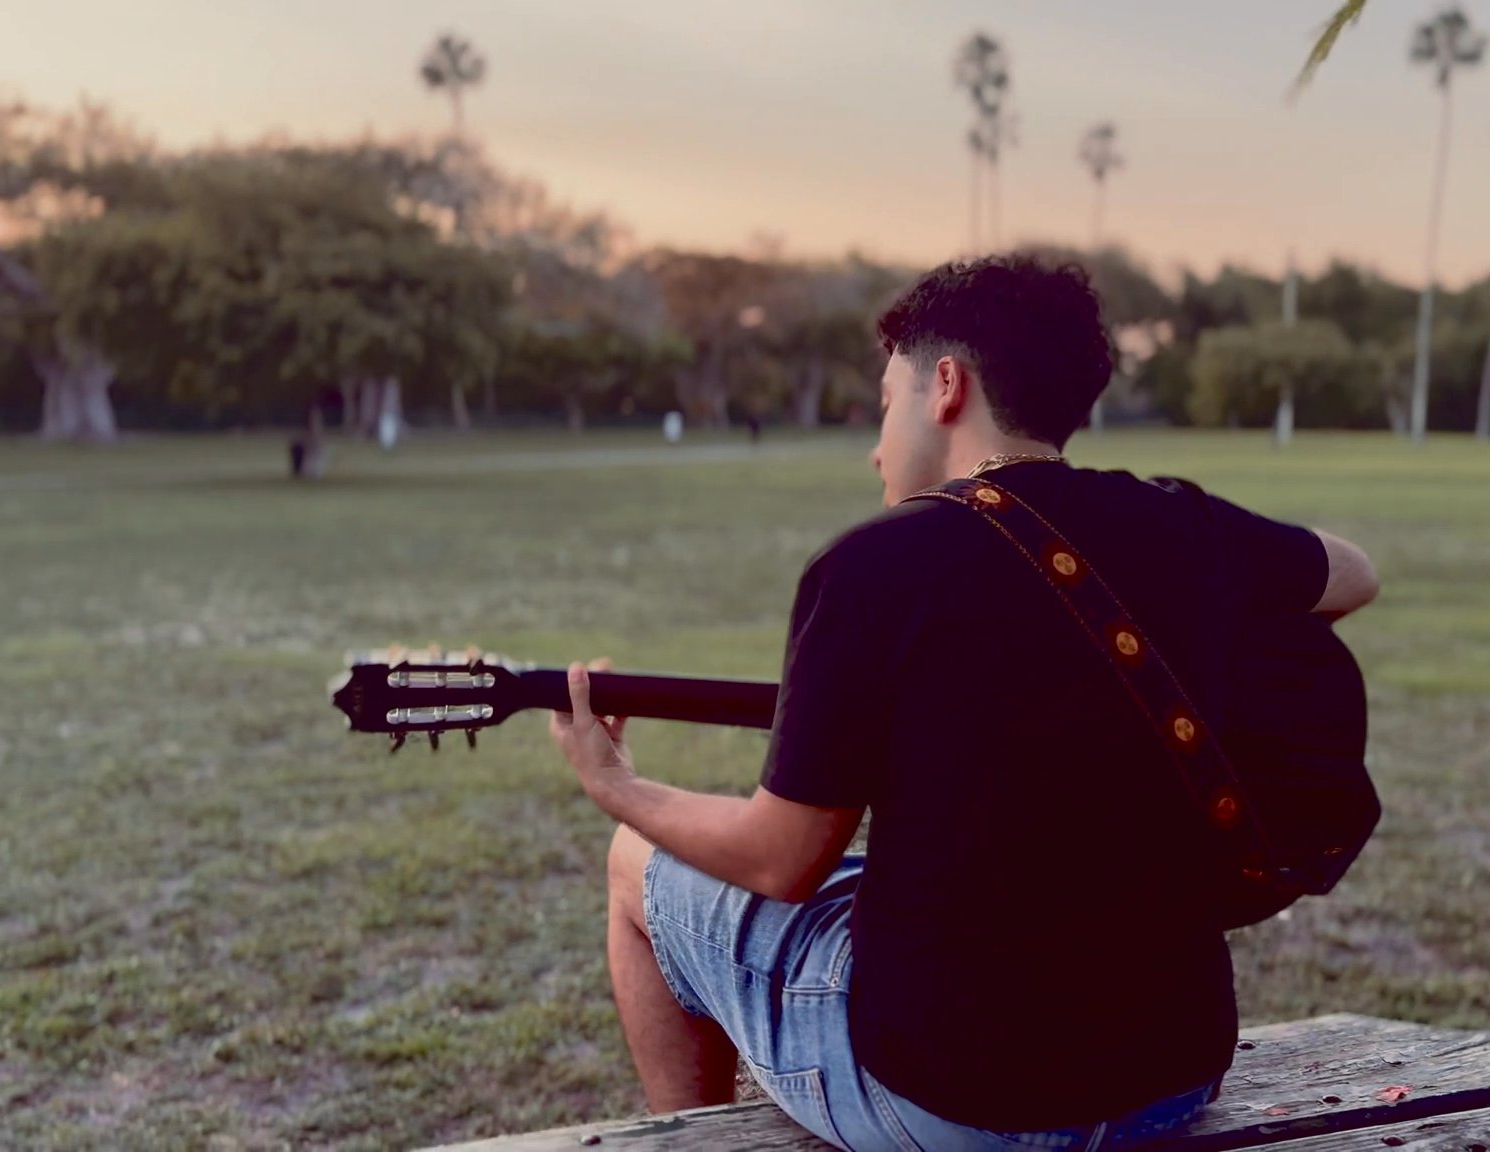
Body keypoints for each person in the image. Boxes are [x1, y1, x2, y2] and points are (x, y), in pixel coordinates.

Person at [550, 254, 1381, 1151]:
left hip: (955, 1104)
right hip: (1172, 1075)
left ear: (946, 386)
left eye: (886, 403)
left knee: (634, 863)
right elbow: (1353, 575)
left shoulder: (872, 566)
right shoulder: (1183, 525)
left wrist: (615, 786)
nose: (877, 447)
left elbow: (777, 860)